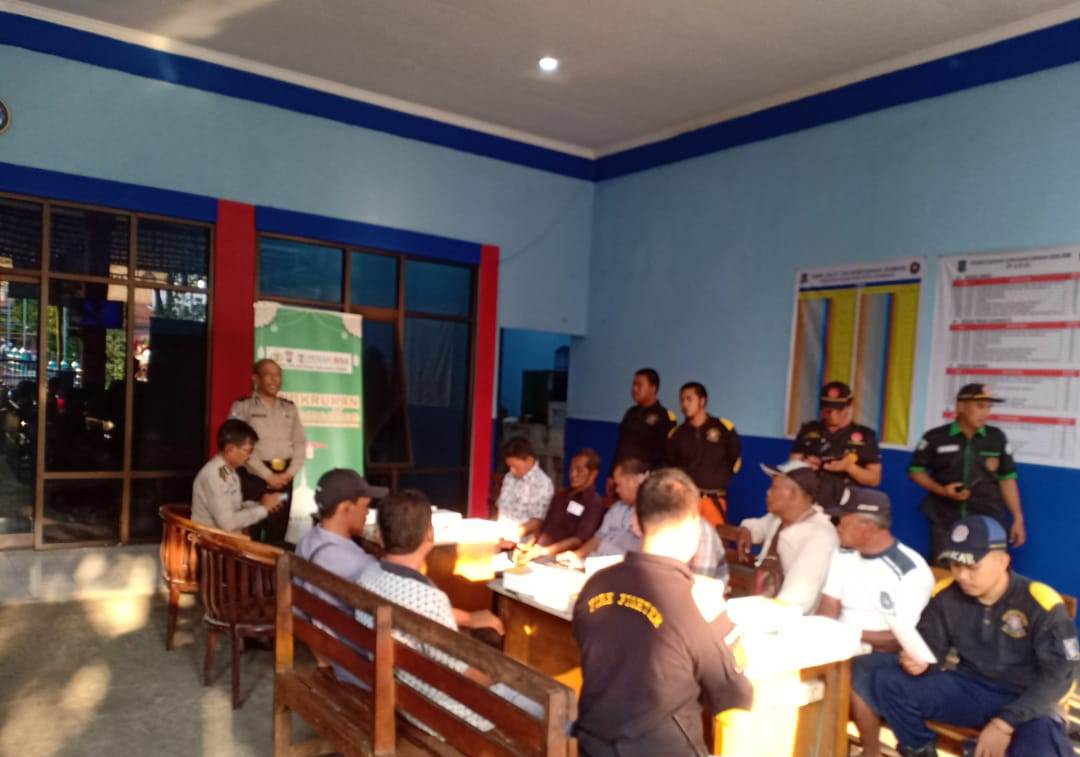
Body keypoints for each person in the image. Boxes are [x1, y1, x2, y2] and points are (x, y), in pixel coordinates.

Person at [571, 468, 752, 756]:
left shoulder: (596, 585)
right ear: (696, 527)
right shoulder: (701, 602)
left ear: (635, 523)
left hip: (592, 746)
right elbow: (735, 695)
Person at [873, 516, 1078, 757]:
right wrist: (918, 665)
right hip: (971, 688)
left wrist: (1004, 724)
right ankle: (919, 750)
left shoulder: (1040, 602)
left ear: (1002, 561)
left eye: (972, 567)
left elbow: (1061, 676)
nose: (961, 576)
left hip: (1028, 700)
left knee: (1041, 749)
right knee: (889, 681)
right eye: (955, 565)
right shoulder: (946, 595)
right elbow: (931, 652)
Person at [357, 490, 507, 732]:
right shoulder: (429, 598)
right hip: (434, 714)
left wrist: (469, 618)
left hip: (397, 693)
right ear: (430, 535)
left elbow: (415, 611)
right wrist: (500, 669)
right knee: (532, 703)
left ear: (380, 537)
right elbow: (461, 677)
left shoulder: (368, 576)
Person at [816, 487, 934, 757]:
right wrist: (823, 635)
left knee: (859, 672)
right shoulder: (843, 554)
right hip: (840, 643)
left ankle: (870, 752)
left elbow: (900, 639)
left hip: (885, 655)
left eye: (842, 521)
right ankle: (819, 746)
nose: (837, 527)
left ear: (867, 526)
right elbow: (829, 605)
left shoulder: (910, 570)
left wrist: (849, 635)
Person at [909, 383, 1026, 564]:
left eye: (988, 407)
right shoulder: (935, 437)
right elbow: (916, 471)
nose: (985, 413)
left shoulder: (996, 438)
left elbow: (1007, 479)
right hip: (945, 519)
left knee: (985, 571)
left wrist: (1018, 518)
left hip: (987, 520)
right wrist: (941, 490)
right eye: (980, 406)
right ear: (960, 406)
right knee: (944, 571)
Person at [560, 458, 728, 582]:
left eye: (619, 484)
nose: (616, 490)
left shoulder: (699, 532)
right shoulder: (622, 509)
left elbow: (699, 587)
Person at [294, 468, 386, 686]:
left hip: (333, 651)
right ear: (346, 507)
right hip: (360, 668)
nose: (368, 513)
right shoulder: (357, 564)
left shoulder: (307, 542)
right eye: (365, 506)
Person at [735, 460, 839, 613]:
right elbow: (758, 526)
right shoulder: (779, 518)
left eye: (774, 487)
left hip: (790, 619)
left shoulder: (820, 537)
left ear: (794, 494)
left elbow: (795, 600)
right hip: (763, 606)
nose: (768, 492)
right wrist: (747, 529)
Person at [229, 359, 307, 544]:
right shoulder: (243, 406)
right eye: (268, 375)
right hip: (253, 477)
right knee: (250, 536)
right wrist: (267, 475)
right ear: (255, 378)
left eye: (278, 375)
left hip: (284, 478)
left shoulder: (289, 408)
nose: (274, 380)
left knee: (277, 535)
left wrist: (289, 473)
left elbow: (299, 443)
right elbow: (237, 445)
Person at [790, 381, 882, 517]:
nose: (832, 415)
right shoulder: (808, 430)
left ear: (849, 405)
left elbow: (874, 479)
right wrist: (804, 466)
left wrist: (848, 467)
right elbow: (791, 468)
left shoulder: (865, 436)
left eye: (839, 410)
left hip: (846, 506)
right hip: (809, 502)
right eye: (827, 410)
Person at [666, 381, 742, 525]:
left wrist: (719, 479)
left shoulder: (724, 428)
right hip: (686, 501)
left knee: (715, 537)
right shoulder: (676, 434)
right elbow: (671, 467)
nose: (684, 404)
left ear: (702, 401)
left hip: (714, 500)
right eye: (682, 400)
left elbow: (734, 459)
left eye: (689, 399)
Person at [514, 448, 605, 563]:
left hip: (559, 558)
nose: (573, 474)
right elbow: (544, 526)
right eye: (571, 469)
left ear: (593, 474)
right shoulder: (560, 496)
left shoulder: (593, 502)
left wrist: (543, 551)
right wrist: (529, 545)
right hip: (537, 550)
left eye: (579, 470)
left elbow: (578, 539)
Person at [192, 419, 283, 532]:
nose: (249, 457)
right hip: (212, 540)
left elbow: (235, 508)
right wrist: (263, 509)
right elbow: (228, 523)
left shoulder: (227, 470)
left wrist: (261, 503)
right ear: (230, 449)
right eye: (247, 451)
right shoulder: (214, 475)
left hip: (224, 538)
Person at [608, 368, 676, 489]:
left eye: (639, 385)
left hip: (645, 482)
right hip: (622, 478)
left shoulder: (664, 416)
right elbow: (621, 447)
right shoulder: (631, 413)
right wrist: (611, 474)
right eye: (634, 384)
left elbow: (666, 456)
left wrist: (652, 481)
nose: (634, 389)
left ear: (653, 388)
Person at [493, 436, 554, 542]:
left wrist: (512, 535)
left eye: (515, 466)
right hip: (501, 534)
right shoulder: (509, 477)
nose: (512, 470)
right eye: (509, 466)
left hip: (522, 540)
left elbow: (537, 521)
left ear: (529, 460)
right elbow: (501, 507)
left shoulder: (542, 483)